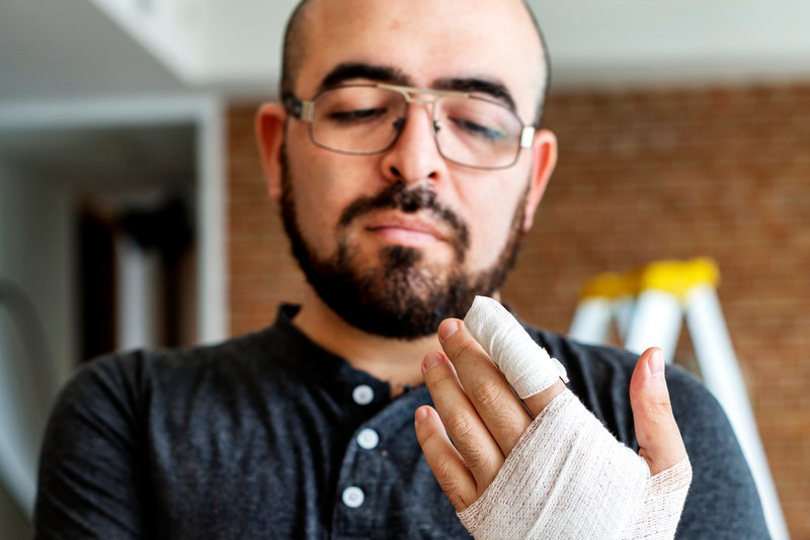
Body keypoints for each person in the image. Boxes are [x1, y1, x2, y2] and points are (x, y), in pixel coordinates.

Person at [34, 0, 769, 538]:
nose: (414, 160)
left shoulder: (659, 434)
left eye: (479, 123)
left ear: (533, 180)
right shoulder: (126, 414)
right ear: (276, 151)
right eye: (357, 107)